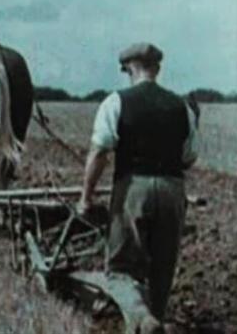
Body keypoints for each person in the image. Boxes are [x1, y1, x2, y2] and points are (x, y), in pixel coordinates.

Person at [78, 42, 198, 331]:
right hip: (172, 190)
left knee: (120, 271)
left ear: (129, 69)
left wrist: (86, 197)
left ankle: (141, 318)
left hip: (133, 190)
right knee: (162, 269)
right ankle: (155, 318)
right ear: (157, 69)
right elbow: (189, 157)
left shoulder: (116, 102)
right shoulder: (182, 107)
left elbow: (99, 152)